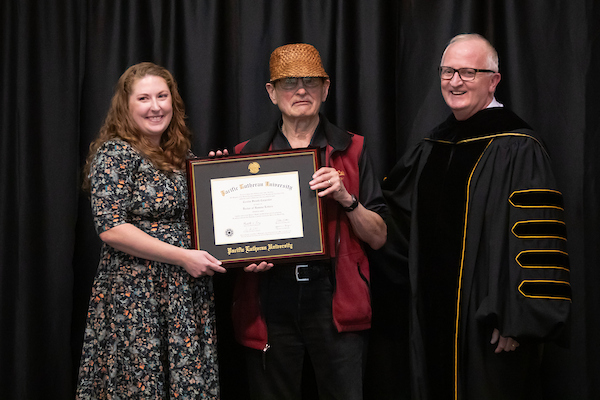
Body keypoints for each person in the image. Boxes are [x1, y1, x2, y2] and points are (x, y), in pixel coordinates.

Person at [380, 33, 571, 399]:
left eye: (468, 72)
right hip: (433, 318)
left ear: (493, 80)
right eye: (447, 71)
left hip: (491, 324)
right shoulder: (431, 147)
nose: (455, 81)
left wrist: (519, 320)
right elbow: (397, 223)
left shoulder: (519, 147)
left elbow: (537, 240)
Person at [229, 43, 387, 400]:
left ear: (326, 89)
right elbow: (229, 241)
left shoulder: (354, 149)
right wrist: (242, 259)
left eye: (311, 82)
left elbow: (379, 237)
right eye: (289, 82)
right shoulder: (244, 156)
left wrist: (347, 200)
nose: (301, 90)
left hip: (333, 294)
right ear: (271, 93)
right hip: (269, 297)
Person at [76, 62, 224, 399]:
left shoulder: (181, 155)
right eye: (144, 98)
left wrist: (218, 173)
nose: (155, 106)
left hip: (183, 291)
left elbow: (204, 218)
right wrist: (183, 257)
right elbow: (110, 227)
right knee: (139, 381)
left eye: (162, 96)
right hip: (137, 291)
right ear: (126, 106)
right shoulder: (115, 153)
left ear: (174, 102)